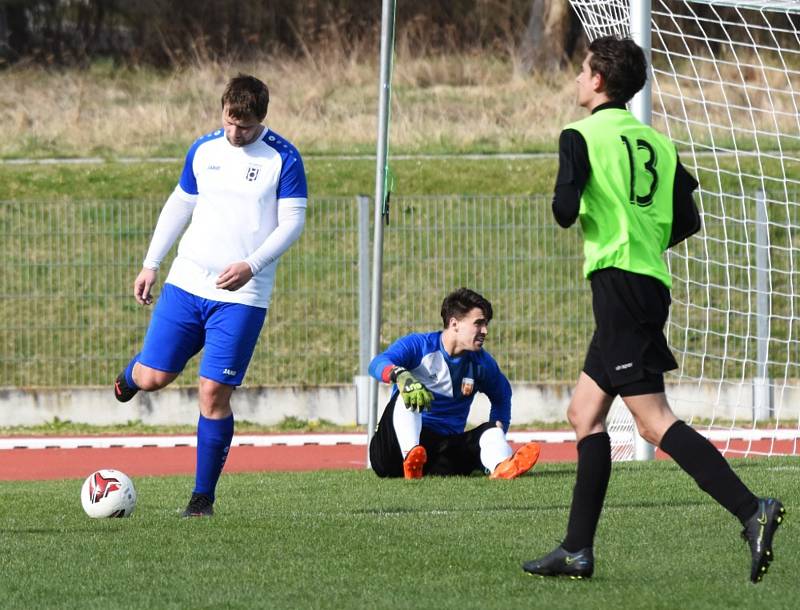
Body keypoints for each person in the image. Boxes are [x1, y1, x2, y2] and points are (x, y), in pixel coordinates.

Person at [522, 36, 784, 583]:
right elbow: (687, 220)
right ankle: (576, 549)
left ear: (597, 82)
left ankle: (750, 510)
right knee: (583, 415)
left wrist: (576, 197)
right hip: (646, 284)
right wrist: (643, 229)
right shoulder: (657, 143)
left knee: (652, 422)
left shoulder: (580, 134)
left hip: (618, 284)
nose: (575, 79)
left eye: (581, 70)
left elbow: (565, 212)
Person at [113, 74, 307, 517]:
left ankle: (202, 499)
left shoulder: (284, 158)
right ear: (222, 110)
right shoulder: (204, 149)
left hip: (243, 295)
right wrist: (151, 262)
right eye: (229, 121)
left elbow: (292, 223)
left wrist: (250, 266)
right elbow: (180, 203)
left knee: (212, 392)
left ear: (262, 117)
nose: (235, 132)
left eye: (245, 125)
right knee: (153, 380)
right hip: (186, 283)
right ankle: (132, 373)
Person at [368, 287, 541, 480]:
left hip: (439, 454)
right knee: (408, 391)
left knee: (491, 430)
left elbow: (502, 396)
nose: (485, 331)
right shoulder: (419, 345)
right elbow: (376, 363)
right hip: (391, 454)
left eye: (486, 324)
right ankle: (410, 458)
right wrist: (400, 375)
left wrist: (501, 427)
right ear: (454, 323)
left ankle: (502, 466)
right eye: (479, 324)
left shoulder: (482, 363)